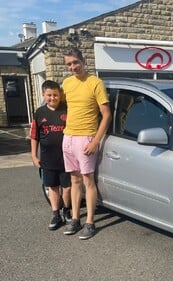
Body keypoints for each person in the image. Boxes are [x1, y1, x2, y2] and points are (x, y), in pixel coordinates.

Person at [61, 47, 112, 240]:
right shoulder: (66, 83)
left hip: (86, 138)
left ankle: (90, 222)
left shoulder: (95, 83)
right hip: (69, 138)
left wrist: (96, 142)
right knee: (74, 181)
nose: (73, 67)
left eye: (75, 62)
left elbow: (106, 115)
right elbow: (63, 106)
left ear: (83, 61)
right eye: (69, 64)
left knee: (88, 181)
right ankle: (75, 218)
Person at [30, 80, 72, 230]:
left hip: (66, 157)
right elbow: (34, 136)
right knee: (52, 186)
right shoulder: (39, 113)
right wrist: (34, 156)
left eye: (55, 95)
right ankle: (56, 213)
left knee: (67, 187)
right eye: (49, 95)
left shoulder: (67, 110)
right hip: (48, 159)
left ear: (60, 95)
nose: (53, 98)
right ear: (43, 95)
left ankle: (66, 210)